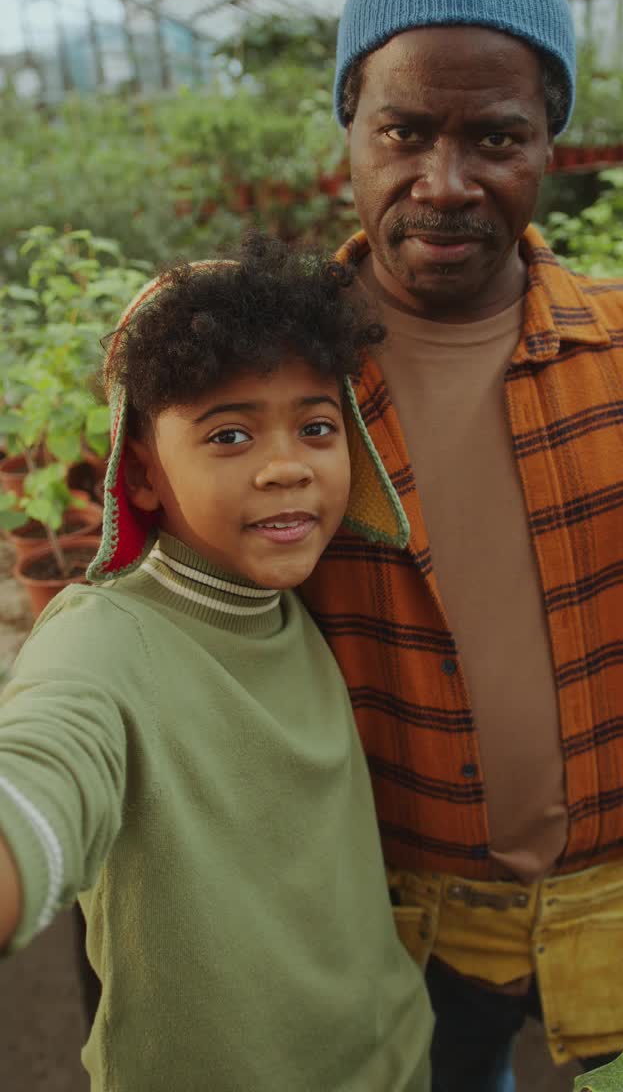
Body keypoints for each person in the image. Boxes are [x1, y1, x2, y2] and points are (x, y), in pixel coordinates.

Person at [300, 0, 623, 1092]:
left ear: (551, 140)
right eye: (404, 130)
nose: (444, 183)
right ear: (350, 124)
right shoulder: (279, 379)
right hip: (401, 915)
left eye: (495, 136)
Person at [0, 237, 433, 1092]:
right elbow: (45, 769)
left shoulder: (293, 603)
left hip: (396, 1062)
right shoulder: (106, 638)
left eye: (316, 427)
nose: (286, 468)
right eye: (229, 434)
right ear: (145, 475)